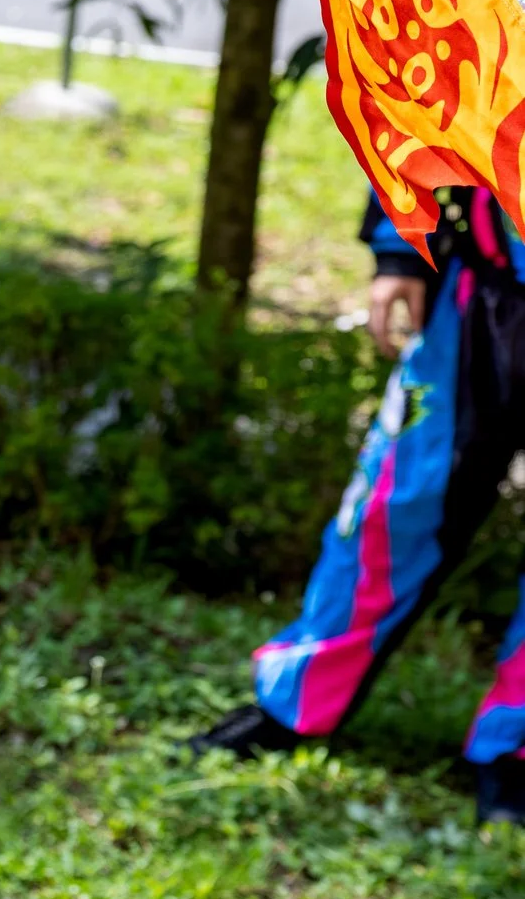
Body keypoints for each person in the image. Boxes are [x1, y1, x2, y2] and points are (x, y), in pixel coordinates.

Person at [189, 186, 525, 824]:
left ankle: (516, 748)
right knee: (392, 509)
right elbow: (427, 122)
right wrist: (401, 247)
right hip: (479, 283)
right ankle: (296, 700)